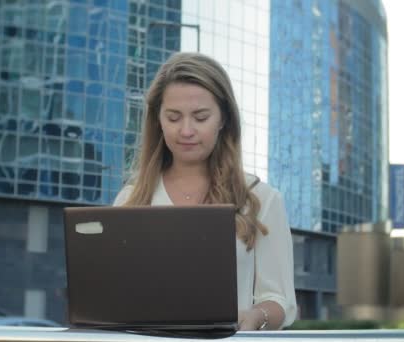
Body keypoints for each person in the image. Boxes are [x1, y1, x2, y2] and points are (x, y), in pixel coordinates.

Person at [113, 52, 297, 330]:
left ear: (223, 119)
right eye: (173, 117)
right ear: (158, 121)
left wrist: (257, 316)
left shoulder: (261, 199)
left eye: (200, 117)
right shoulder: (130, 199)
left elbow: (279, 299)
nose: (186, 131)